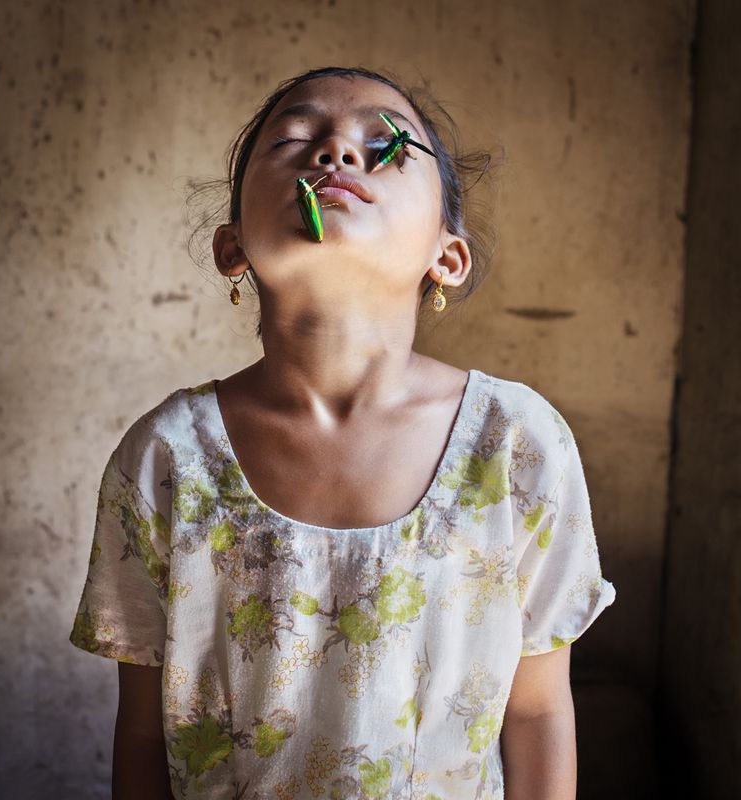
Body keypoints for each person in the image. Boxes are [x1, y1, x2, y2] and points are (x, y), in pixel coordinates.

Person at [69, 65, 617, 800]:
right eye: (295, 140)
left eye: (385, 148)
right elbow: (142, 736)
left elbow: (539, 710)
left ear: (446, 257)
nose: (335, 155)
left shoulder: (517, 446)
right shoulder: (166, 460)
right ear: (233, 249)